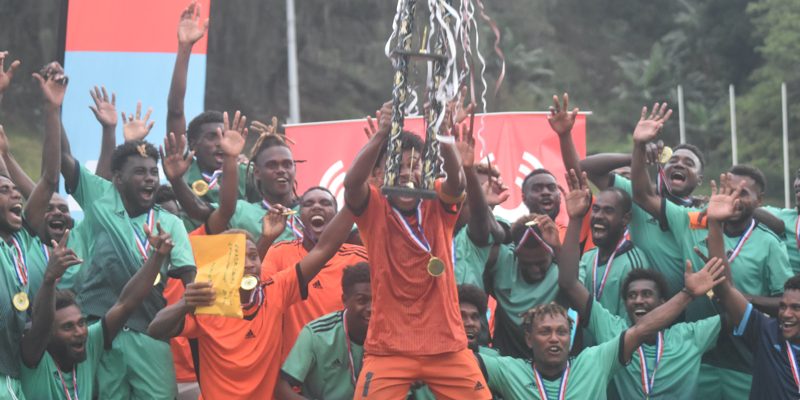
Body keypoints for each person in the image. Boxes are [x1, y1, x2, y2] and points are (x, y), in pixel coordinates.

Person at [630, 106, 793, 399]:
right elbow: (642, 194)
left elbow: (786, 301)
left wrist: (742, 301)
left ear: (760, 201)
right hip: (699, 357)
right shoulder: (692, 219)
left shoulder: (768, 243)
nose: (734, 198)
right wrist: (639, 146)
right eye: (729, 189)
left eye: (744, 193)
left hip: (745, 361)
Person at [344, 102, 491, 398]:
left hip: (446, 345)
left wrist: (444, 136)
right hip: (389, 348)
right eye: (397, 166)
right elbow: (351, 183)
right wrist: (381, 134)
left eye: (415, 165)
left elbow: (456, 181)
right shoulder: (373, 205)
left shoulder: (436, 200)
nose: (406, 173)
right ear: (382, 173)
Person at [62, 100, 197, 397]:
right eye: (140, 172)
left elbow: (190, 279)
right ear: (118, 179)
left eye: (153, 172)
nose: (149, 178)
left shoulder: (169, 223)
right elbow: (62, 157)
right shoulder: (101, 199)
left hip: (149, 333)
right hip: (101, 332)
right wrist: (54, 107)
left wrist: (186, 310)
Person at [148, 205, 356, 398]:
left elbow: (324, 248)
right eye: (238, 258)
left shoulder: (276, 291)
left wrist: (354, 199)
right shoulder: (208, 305)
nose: (249, 265)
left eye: (254, 256)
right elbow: (155, 329)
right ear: (223, 265)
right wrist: (185, 303)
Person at [558, 169, 724, 398]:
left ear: (663, 302)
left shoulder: (687, 337)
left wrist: (715, 226)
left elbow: (733, 314)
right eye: (632, 296)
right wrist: (576, 218)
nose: (639, 300)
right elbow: (568, 283)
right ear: (624, 303)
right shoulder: (614, 331)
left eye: (647, 294)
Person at [479, 251, 722, 400]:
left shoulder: (594, 362)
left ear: (571, 337)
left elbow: (642, 329)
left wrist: (687, 294)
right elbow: (459, 357)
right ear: (529, 339)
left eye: (562, 331)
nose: (555, 338)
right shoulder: (507, 370)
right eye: (545, 331)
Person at [19, 228, 172, 400]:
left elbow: (126, 304)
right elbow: (40, 325)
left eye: (81, 323)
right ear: (49, 335)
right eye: (67, 327)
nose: (79, 332)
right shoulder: (34, 359)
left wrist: (157, 256)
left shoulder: (89, 343)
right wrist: (49, 279)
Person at [0, 58, 66, 400]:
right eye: (3, 190)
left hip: (13, 383)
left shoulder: (19, 241)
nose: (15, 194)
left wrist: (52, 109)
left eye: (15, 190)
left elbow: (50, 180)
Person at [709, 183, 800, 398]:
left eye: (796, 308)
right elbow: (725, 290)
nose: (785, 314)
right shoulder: (766, 332)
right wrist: (714, 223)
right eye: (783, 306)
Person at [260, 186, 369, 360]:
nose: (317, 207)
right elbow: (255, 288)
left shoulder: (360, 257)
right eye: (308, 204)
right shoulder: (278, 253)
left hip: (345, 367)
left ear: (336, 215)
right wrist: (267, 238)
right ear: (298, 215)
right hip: (294, 370)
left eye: (325, 203)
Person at [166, 1, 250, 212]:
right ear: (192, 144)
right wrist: (185, 48)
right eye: (212, 137)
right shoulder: (181, 172)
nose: (221, 143)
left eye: (224, 136)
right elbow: (176, 111)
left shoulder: (246, 173)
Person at [276, 262, 372, 400]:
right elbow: (282, 389)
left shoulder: (390, 334)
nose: (371, 308)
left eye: (377, 299)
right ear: (345, 300)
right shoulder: (316, 334)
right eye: (362, 300)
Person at [577, 186, 650, 318]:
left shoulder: (633, 264)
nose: (598, 216)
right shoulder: (588, 257)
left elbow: (633, 327)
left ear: (625, 219)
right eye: (595, 209)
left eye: (608, 211)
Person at [762, 167, 800, 274]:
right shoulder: (782, 216)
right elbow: (750, 209)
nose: (798, 183)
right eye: (798, 177)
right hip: (790, 288)